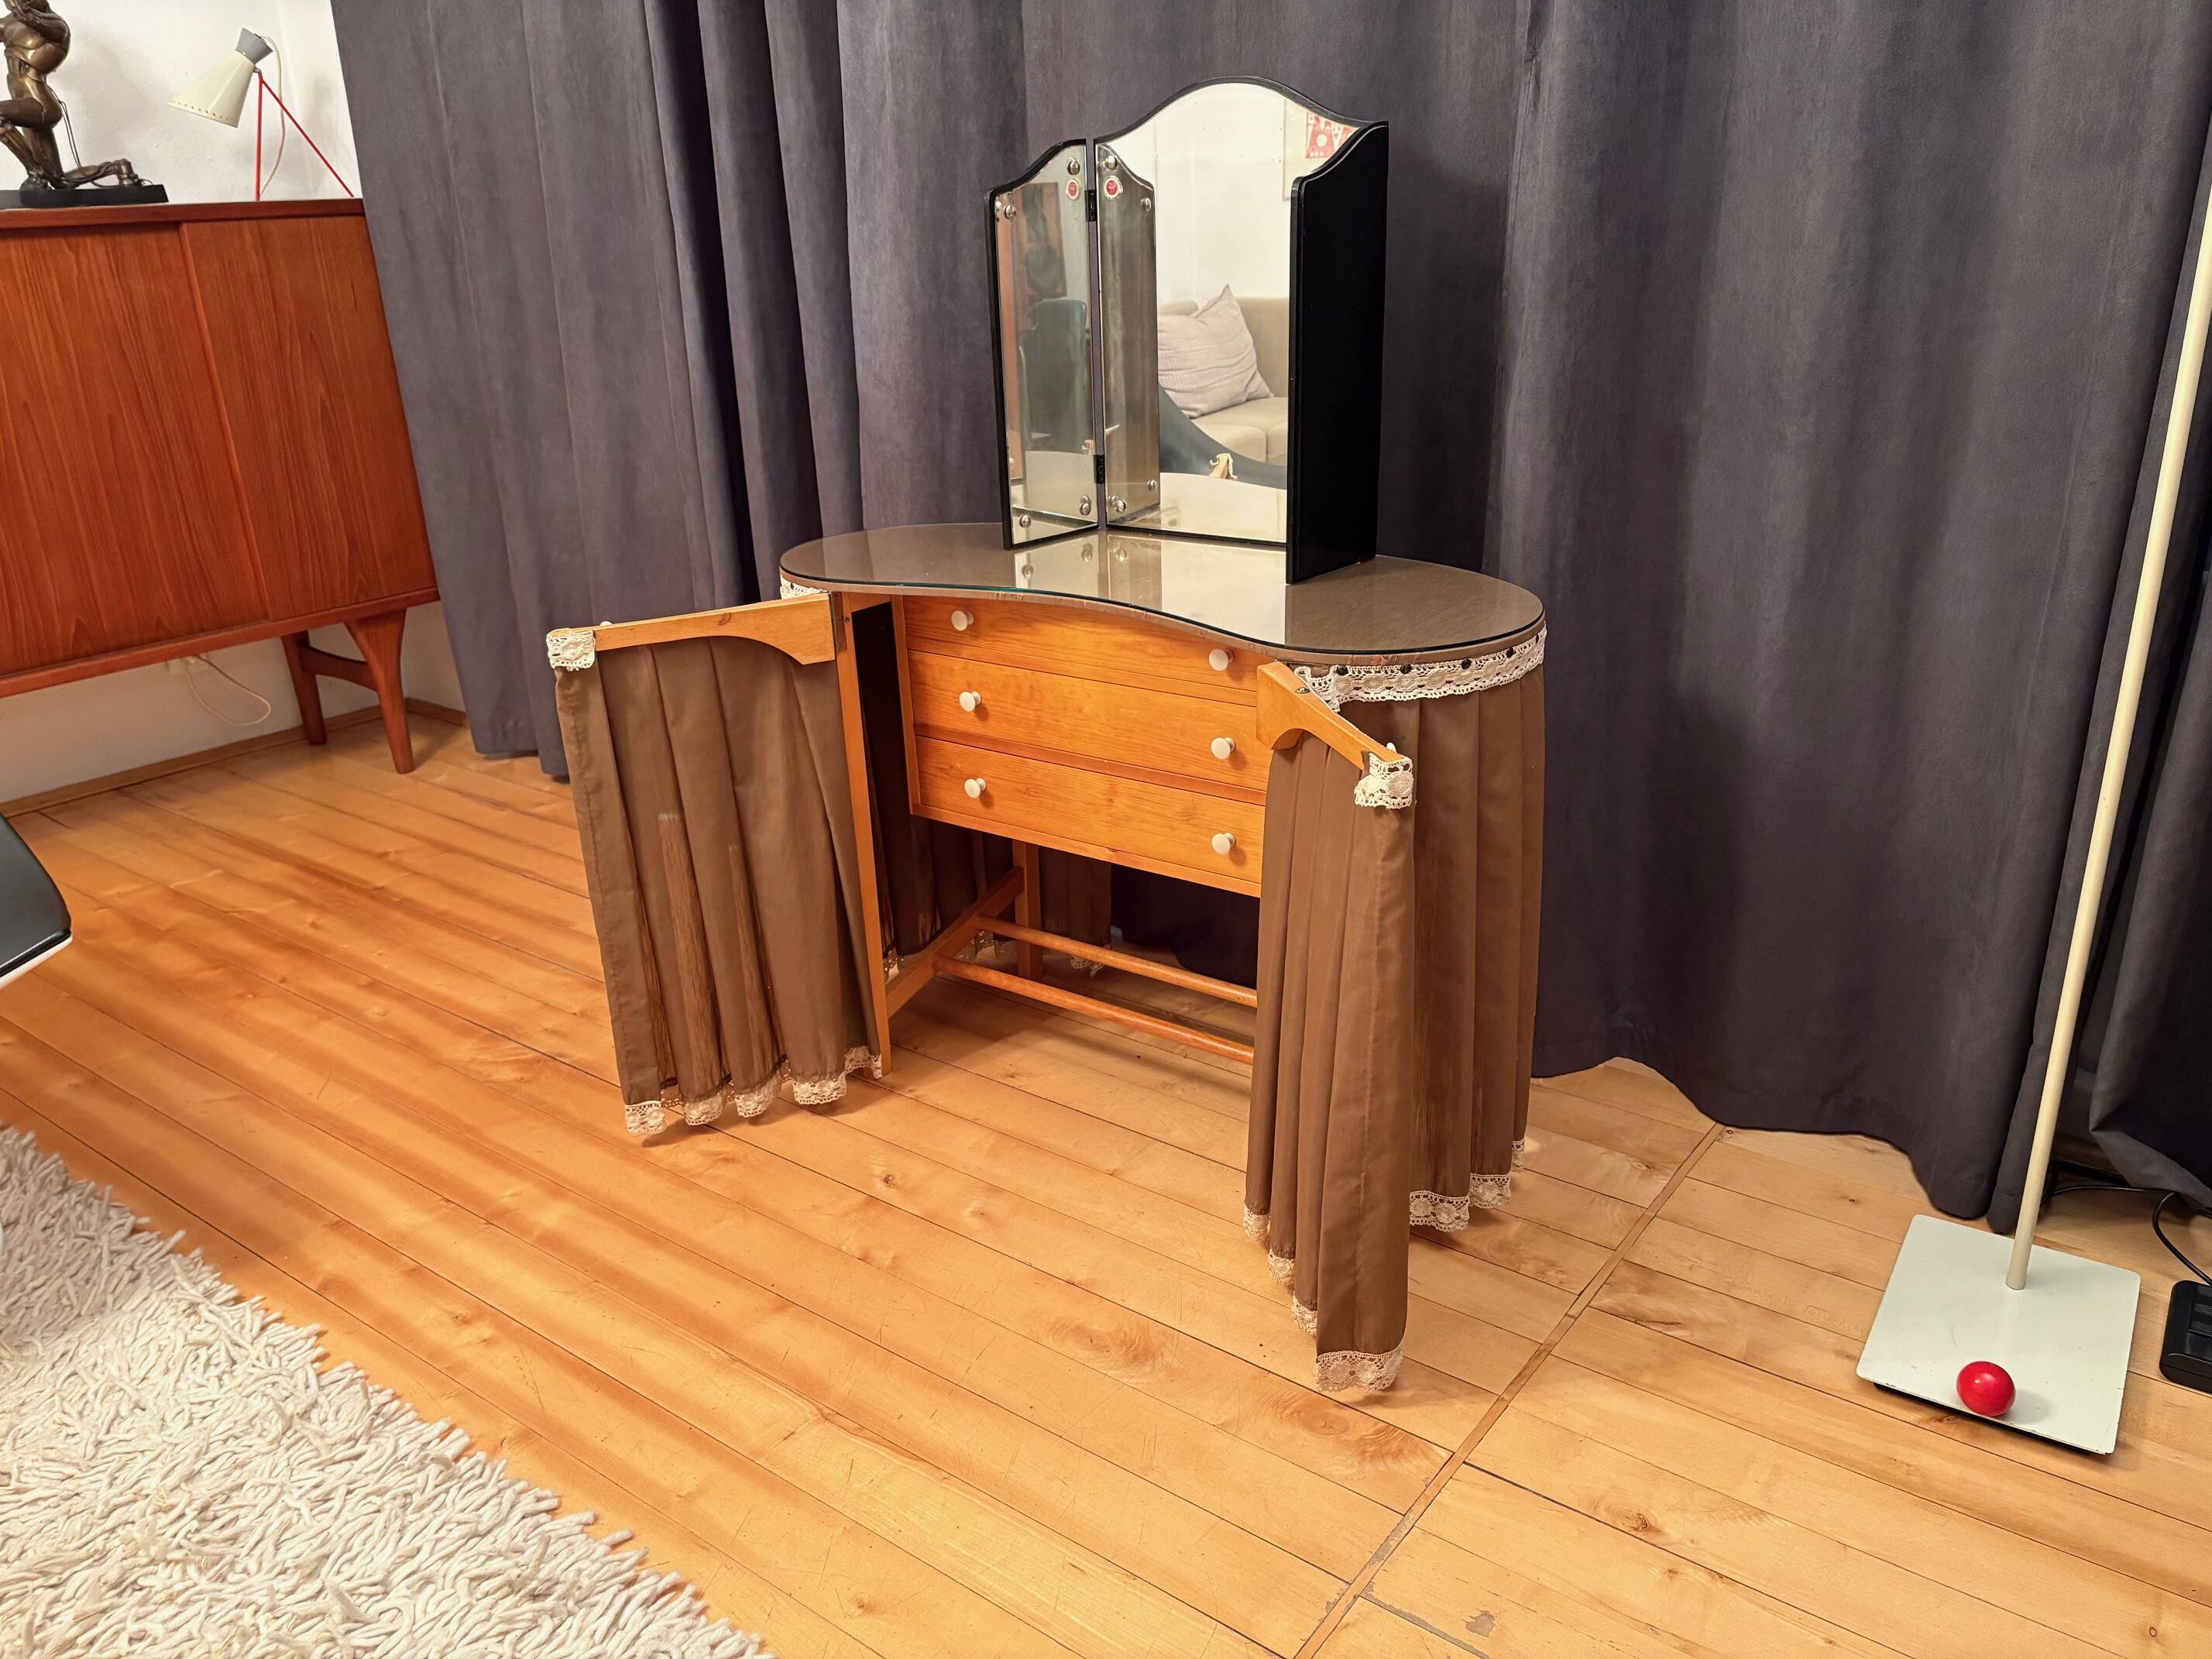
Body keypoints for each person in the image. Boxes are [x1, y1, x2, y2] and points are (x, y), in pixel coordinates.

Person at [1, 2, 144, 191]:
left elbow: (34, 21)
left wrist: (22, 11)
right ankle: (119, 168)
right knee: (60, 181)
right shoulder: (8, 24)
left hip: (40, 105)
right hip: (25, 108)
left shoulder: (56, 25)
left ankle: (35, 174)